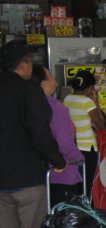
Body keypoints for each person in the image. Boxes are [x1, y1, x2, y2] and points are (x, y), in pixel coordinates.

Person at [0, 41, 66, 228]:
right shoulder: (28, 91)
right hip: (28, 178)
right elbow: (40, 133)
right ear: (24, 64)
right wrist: (58, 161)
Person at [32, 64, 84, 206]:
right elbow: (64, 143)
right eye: (50, 74)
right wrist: (78, 158)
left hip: (39, 174)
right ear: (44, 83)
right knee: (64, 217)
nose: (54, 77)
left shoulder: (30, 105)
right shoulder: (56, 108)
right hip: (62, 172)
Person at [63, 69, 106, 200]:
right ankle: (85, 213)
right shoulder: (86, 102)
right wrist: (96, 102)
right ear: (89, 87)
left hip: (73, 147)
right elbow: (101, 125)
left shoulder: (67, 99)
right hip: (88, 148)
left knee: (76, 183)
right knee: (87, 185)